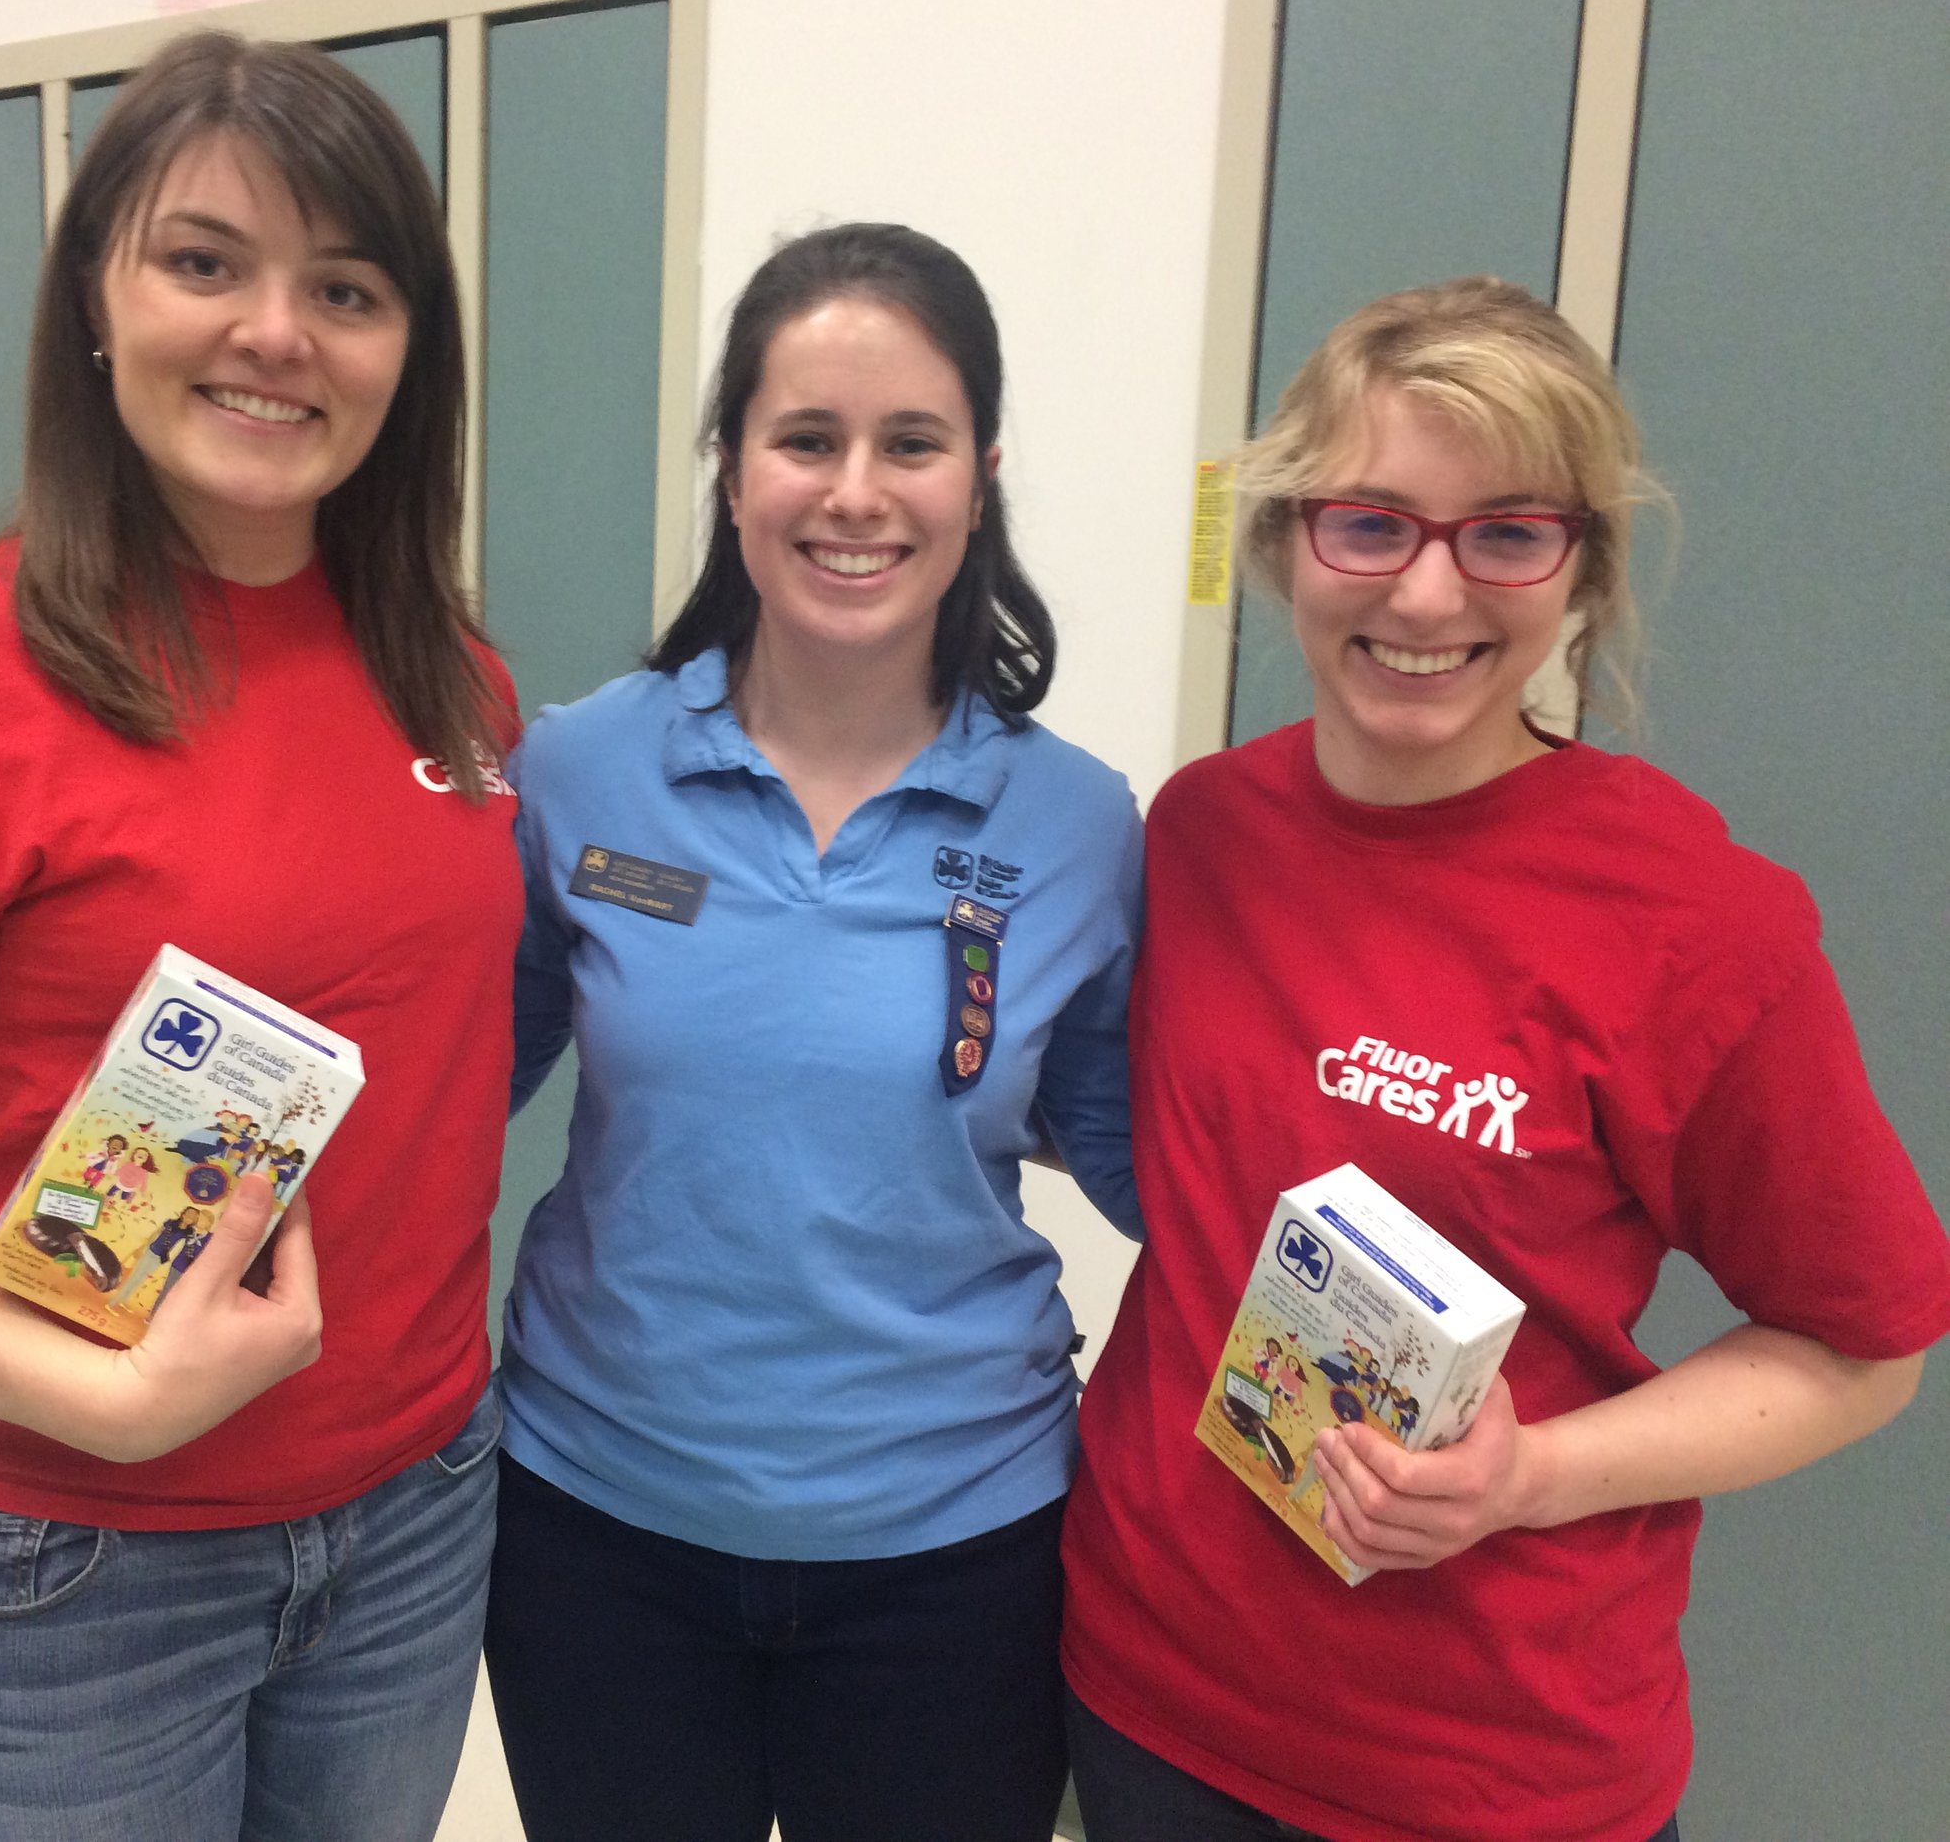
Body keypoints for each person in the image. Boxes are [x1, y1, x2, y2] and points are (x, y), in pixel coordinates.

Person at [0, 32, 520, 1842]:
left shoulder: (452, 682)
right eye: (205, 261)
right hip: (63, 1558)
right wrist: (100, 1396)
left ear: (410, 352)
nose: (277, 333)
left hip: (409, 1511)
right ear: (96, 299)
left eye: (348, 287)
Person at [1058, 276, 1950, 1842]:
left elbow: (1859, 1348)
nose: (1425, 597)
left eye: (1506, 533)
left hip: (1486, 1770)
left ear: (1580, 571)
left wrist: (1528, 1474)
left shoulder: (1695, 923)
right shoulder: (1199, 835)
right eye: (1373, 524)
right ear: (1282, 546)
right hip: (1148, 1691)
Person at [486, 223, 1144, 1842]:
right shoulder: (580, 773)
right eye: (806, 439)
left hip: (958, 1554)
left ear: (977, 479)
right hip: (599, 1526)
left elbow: (1148, 1154)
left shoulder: (1077, 823)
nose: (857, 492)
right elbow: (450, 1082)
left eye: (910, 443)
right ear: (732, 471)